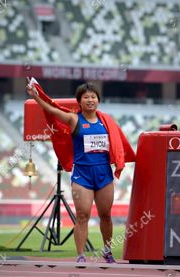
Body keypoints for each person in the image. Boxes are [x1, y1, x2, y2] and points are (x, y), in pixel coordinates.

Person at [26, 78, 135, 263]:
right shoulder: (73, 119)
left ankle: (107, 251)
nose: (90, 100)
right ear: (80, 101)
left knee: (105, 215)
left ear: (98, 100)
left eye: (93, 97)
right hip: (82, 174)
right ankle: (81, 256)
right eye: (86, 97)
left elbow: (118, 144)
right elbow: (51, 110)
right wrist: (37, 97)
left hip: (104, 174)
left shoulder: (107, 121)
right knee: (83, 215)